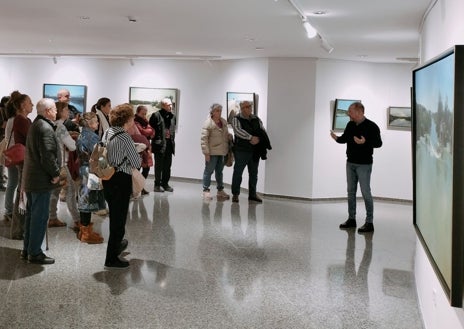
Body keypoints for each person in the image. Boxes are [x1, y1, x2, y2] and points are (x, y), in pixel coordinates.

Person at [330, 101, 382, 233]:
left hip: (364, 164)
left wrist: (365, 142)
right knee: (351, 192)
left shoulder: (372, 126)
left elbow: (378, 143)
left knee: (365, 192)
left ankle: (369, 222)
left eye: (350, 111)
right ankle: (351, 219)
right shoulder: (350, 124)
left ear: (359, 112)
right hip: (350, 163)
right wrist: (336, 138)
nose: (348, 113)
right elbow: (345, 139)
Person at [21, 98, 60, 264]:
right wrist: (56, 173)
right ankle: (35, 252)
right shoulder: (45, 128)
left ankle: (28, 249)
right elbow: (47, 156)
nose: (57, 111)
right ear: (48, 111)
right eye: (55, 109)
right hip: (40, 180)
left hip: (32, 178)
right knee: (39, 216)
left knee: (31, 215)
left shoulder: (36, 124)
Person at [102, 103, 141, 268]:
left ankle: (117, 245)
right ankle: (111, 258)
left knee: (115, 215)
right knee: (118, 220)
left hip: (108, 178)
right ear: (127, 120)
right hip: (121, 180)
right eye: (132, 117)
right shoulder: (125, 137)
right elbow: (136, 161)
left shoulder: (108, 132)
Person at [231, 100, 271, 203]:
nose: (249, 108)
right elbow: (238, 130)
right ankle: (235, 194)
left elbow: (262, 130)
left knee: (253, 173)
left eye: (250, 106)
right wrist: (250, 137)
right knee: (238, 173)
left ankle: (252, 194)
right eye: (247, 107)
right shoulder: (236, 119)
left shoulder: (256, 119)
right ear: (242, 108)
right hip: (241, 151)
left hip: (255, 151)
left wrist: (260, 139)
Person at [75, 112, 106, 244]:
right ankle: (86, 233)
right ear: (89, 122)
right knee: (87, 200)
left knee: (84, 199)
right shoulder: (92, 137)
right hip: (91, 171)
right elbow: (98, 156)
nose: (98, 123)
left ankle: (84, 229)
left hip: (84, 169)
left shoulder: (82, 134)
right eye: (96, 121)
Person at [48, 102, 79, 228]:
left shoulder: (52, 125)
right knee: (71, 191)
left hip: (53, 164)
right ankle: (78, 220)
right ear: (60, 111)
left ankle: (52, 218)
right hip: (61, 165)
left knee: (54, 193)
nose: (68, 112)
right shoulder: (61, 127)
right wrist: (72, 139)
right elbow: (72, 146)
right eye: (66, 109)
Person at [7, 92, 33, 240]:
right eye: (29, 102)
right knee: (21, 194)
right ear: (23, 105)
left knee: (21, 193)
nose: (32, 104)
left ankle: (19, 229)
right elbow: (31, 139)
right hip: (24, 161)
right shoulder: (21, 120)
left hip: (26, 160)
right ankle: (17, 230)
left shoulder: (25, 119)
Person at [200, 103, 231, 200]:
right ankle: (205, 191)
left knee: (219, 172)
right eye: (217, 110)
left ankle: (220, 190)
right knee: (208, 171)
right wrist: (206, 153)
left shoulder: (224, 122)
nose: (219, 112)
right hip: (212, 152)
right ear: (212, 112)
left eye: (220, 110)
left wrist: (229, 136)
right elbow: (203, 139)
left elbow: (225, 134)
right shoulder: (208, 123)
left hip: (222, 151)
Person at [149, 98, 176, 192]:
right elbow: (151, 130)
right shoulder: (156, 115)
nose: (171, 106)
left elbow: (172, 130)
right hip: (159, 145)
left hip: (169, 144)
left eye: (171, 104)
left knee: (167, 166)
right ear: (163, 105)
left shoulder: (172, 116)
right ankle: (157, 185)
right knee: (159, 166)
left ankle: (165, 184)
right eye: (169, 105)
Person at [134, 105, 154, 194]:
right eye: (142, 114)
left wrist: (148, 130)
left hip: (146, 148)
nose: (144, 116)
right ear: (138, 112)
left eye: (145, 114)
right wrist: (148, 130)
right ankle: (136, 188)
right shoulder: (135, 122)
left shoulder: (145, 121)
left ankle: (140, 187)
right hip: (138, 148)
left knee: (146, 169)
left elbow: (152, 131)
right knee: (137, 169)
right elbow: (142, 132)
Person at [0, 96, 9, 191]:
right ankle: (1, 181)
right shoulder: (1, 112)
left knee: (2, 161)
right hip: (1, 139)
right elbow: (2, 125)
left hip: (2, 139)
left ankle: (2, 178)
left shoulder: (4, 112)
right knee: (1, 161)